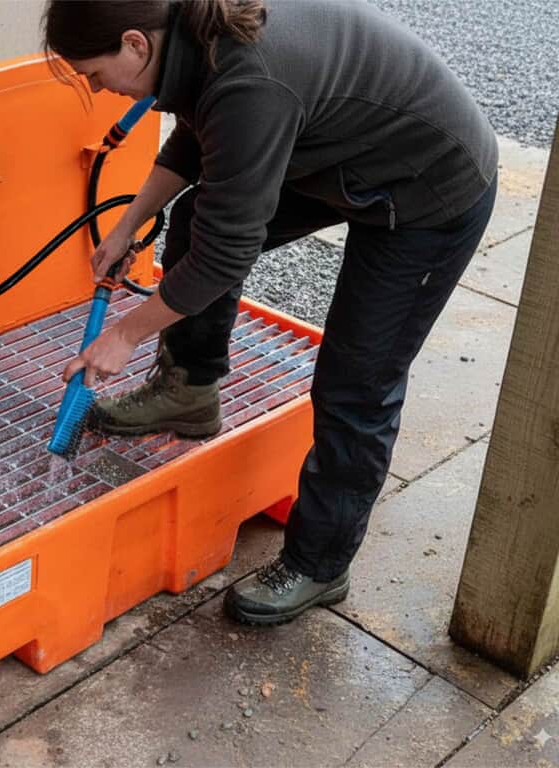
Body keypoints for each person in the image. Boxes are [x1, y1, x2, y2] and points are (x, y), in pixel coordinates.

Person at [43, 0, 498, 625]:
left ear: (135, 45)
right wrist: (128, 224)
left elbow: (224, 255)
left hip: (429, 187)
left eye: (95, 74)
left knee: (357, 381)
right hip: (347, 154)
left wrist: (123, 335)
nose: (99, 89)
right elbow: (197, 138)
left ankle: (320, 563)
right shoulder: (193, 39)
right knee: (199, 220)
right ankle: (189, 392)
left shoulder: (249, 79)